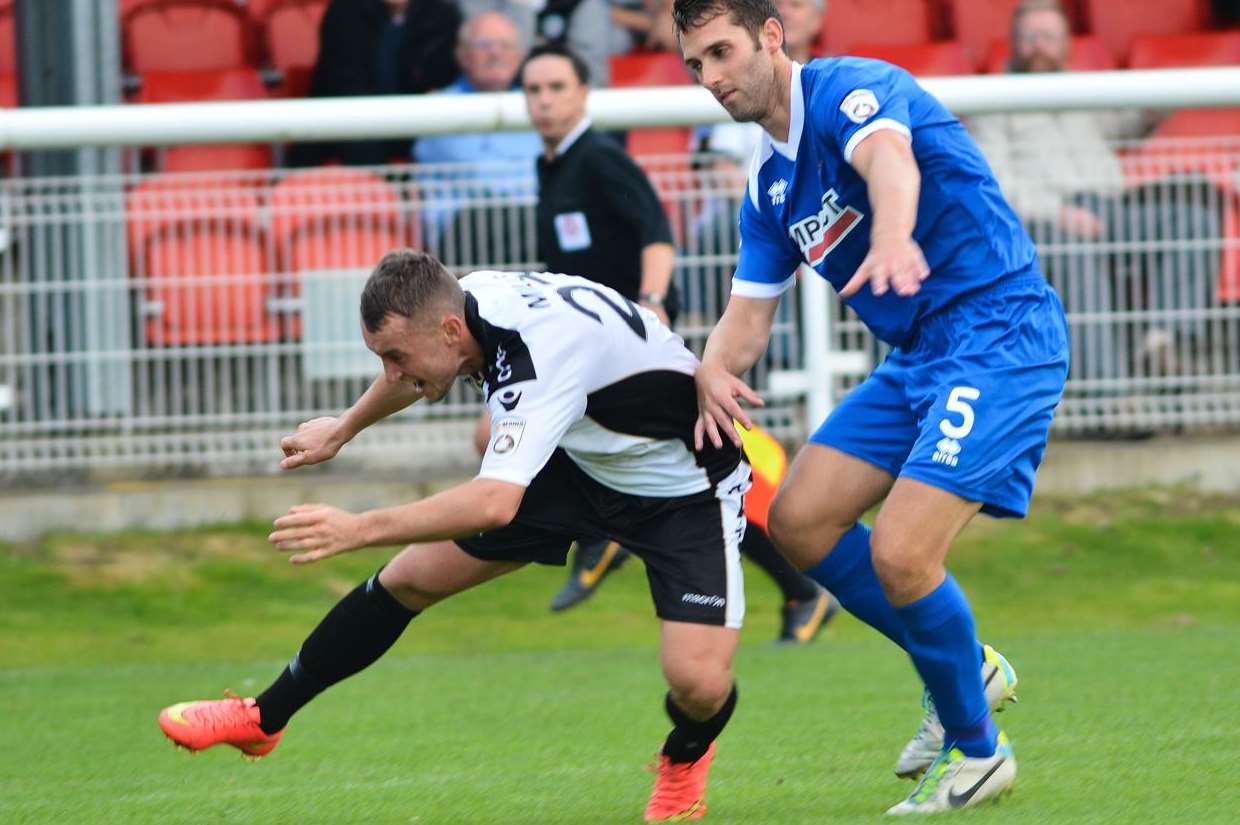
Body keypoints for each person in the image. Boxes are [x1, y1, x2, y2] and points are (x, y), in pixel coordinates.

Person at [158, 249, 750, 822]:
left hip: (685, 486)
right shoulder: (469, 305)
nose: (391, 371)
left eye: (394, 355)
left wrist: (360, 527)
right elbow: (415, 374)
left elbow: (493, 503)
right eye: (382, 357)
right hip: (584, 464)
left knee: (696, 682)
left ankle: (685, 756)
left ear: (446, 328)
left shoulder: (535, 355)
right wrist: (343, 429)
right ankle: (264, 718)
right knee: (410, 579)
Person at [676, 0, 1069, 813]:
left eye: (721, 52)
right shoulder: (768, 181)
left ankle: (978, 753)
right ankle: (971, 669)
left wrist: (894, 236)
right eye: (694, 65)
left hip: (1000, 331)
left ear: (771, 36)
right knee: (802, 519)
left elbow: (890, 159)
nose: (711, 78)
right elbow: (747, 316)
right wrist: (706, 373)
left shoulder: (851, 90)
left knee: (901, 550)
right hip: (923, 356)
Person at [967, 0, 1218, 385]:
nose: (1039, 46)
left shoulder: (1083, 88)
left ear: (1066, 44)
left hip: (1112, 208)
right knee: (1073, 252)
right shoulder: (993, 101)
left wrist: (1157, 104)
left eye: (1049, 37)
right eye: (1030, 37)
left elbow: (1129, 122)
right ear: (1014, 44)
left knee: (1193, 217)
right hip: (1047, 220)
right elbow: (995, 185)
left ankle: (1164, 341)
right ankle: (1108, 394)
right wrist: (1057, 212)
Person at [414, 11, 542, 269]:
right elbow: (483, 179)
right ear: (461, 55)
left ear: (520, 57)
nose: (496, 53)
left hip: (531, 229)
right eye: (484, 45)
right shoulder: (438, 107)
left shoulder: (539, 105)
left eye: (505, 45)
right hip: (465, 237)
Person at [290, 0, 462, 166]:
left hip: (418, 125)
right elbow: (345, 86)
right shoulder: (345, 12)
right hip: (352, 125)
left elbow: (440, 83)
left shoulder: (442, 16)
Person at [460, 0, 615, 87]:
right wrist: (520, 6)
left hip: (560, 111)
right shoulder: (480, 4)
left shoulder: (581, 5)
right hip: (479, 97)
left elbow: (591, 79)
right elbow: (490, 70)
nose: (496, 52)